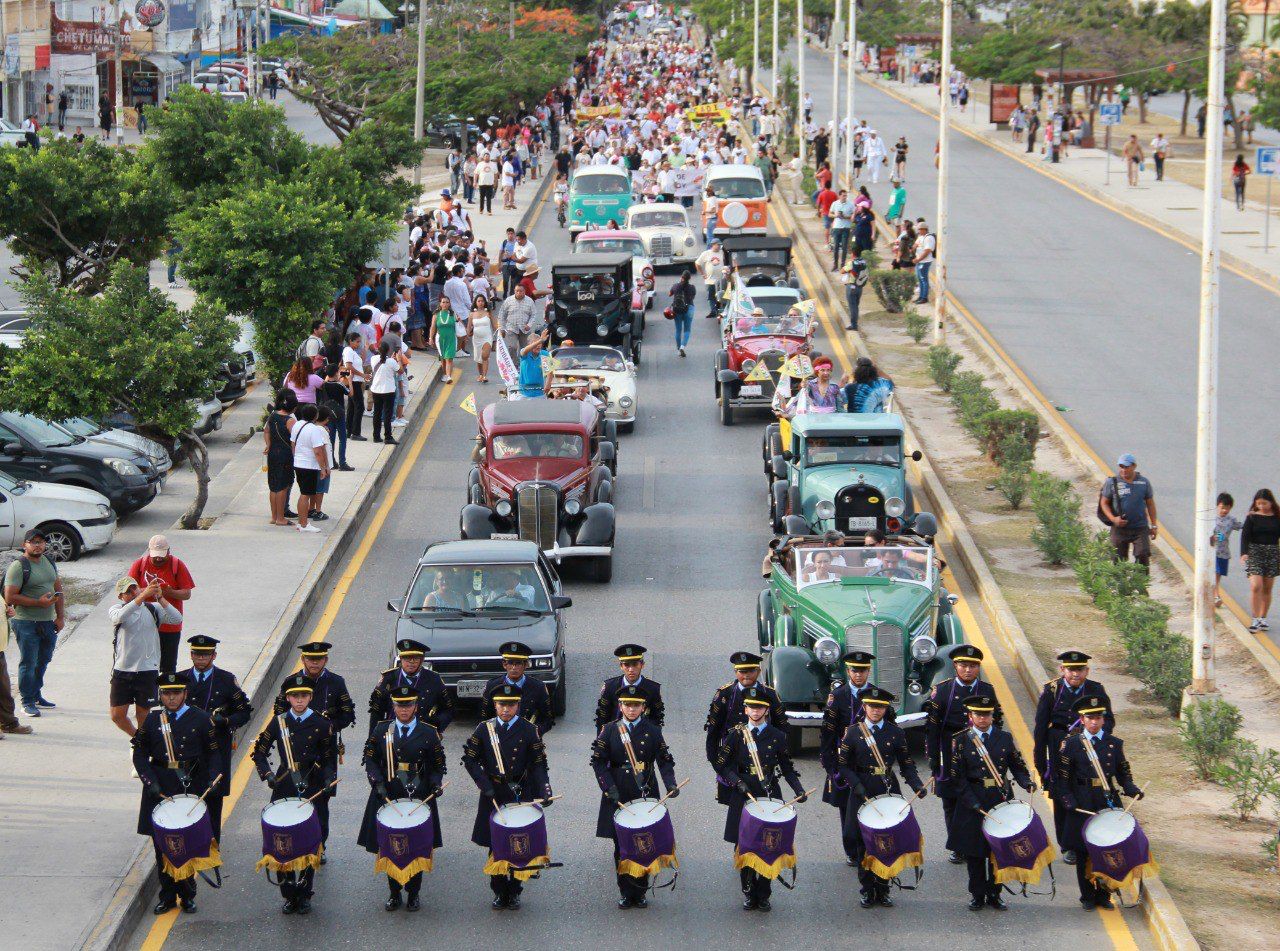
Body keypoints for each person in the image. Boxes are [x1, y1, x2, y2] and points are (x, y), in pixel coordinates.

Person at [461, 682, 554, 910]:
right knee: (497, 845)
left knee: (521, 842)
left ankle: (515, 891)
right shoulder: (484, 729)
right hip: (494, 792)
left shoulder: (528, 730)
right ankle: (499, 890)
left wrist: (545, 789)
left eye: (511, 705)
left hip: (521, 792)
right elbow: (470, 761)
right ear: (495, 705)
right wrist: (484, 785)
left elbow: (539, 763)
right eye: (502, 704)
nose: (506, 709)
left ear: (518, 705)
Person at [714, 685, 806, 911]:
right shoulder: (736, 735)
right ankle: (748, 890)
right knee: (744, 844)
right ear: (745, 710)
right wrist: (736, 781)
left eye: (760, 708)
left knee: (769, 844)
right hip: (743, 794)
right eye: (751, 708)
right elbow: (721, 765)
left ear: (766, 710)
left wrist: (798, 789)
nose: (755, 712)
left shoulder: (779, 737)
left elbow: (787, 768)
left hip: (769, 793)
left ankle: (764, 893)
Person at [132, 673, 218, 916]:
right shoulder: (151, 720)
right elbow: (139, 755)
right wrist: (150, 782)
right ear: (161, 695)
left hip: (190, 787)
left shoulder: (201, 719)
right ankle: (167, 895)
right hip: (161, 787)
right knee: (162, 846)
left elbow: (213, 754)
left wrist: (212, 780)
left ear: (185, 693)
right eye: (167, 693)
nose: (171, 697)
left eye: (176, 693)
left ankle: (188, 895)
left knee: (187, 844)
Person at [251, 674, 336, 915]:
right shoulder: (278, 722)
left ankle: (306, 891)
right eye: (295, 696)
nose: (299, 700)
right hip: (284, 785)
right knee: (283, 840)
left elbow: (329, 758)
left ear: (310, 697)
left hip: (312, 785)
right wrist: (266, 774)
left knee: (310, 840)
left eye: (304, 696)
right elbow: (259, 752)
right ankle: (288, 893)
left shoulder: (321, 724)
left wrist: (328, 780)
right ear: (288, 698)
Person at [358, 685, 446, 912]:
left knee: (416, 846)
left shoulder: (428, 732)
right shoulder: (381, 731)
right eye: (399, 705)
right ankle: (394, 892)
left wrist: (436, 784)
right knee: (391, 845)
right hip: (389, 792)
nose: (404, 709)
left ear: (415, 706)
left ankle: (414, 893)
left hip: (419, 794)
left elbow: (438, 766)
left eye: (408, 705)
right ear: (393, 706)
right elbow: (370, 760)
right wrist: (377, 783)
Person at [590, 685, 679, 908]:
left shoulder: (653, 730)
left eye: (636, 705)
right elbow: (598, 762)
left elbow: (664, 760)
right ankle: (625, 890)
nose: (631, 709)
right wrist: (608, 787)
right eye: (627, 705)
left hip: (645, 790)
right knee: (621, 845)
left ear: (643, 707)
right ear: (620, 706)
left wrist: (671, 783)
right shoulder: (609, 730)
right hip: (618, 790)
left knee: (644, 842)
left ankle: (640, 891)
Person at [836, 684, 924, 907]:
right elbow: (843, 766)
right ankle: (867, 888)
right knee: (863, 842)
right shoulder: (853, 732)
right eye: (872, 706)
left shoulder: (895, 733)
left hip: (887, 789)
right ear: (864, 706)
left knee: (887, 841)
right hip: (861, 789)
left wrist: (917, 785)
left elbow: (907, 764)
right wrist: (855, 785)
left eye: (881, 707)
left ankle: (883, 888)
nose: (876, 711)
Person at [948, 694, 1036, 911]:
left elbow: (1016, 765)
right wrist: (972, 802)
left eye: (987, 714)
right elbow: (956, 777)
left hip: (999, 798)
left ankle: (995, 894)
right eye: (978, 714)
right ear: (970, 715)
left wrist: (1026, 782)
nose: (983, 718)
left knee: (998, 850)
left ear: (992, 715)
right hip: (973, 800)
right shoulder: (960, 740)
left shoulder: (1004, 738)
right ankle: (977, 894)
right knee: (975, 852)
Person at [1055, 695, 1142, 910]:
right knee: (1083, 852)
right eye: (1089, 718)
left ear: (1104, 720)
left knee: (1108, 849)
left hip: (1106, 800)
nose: (1094, 722)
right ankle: (1087, 896)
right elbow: (1062, 777)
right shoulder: (1071, 744)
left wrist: (1132, 789)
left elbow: (1123, 774)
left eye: (1098, 718)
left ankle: (1104, 895)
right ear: (1082, 720)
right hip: (1081, 801)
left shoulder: (1114, 744)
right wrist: (1068, 801)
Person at [1032, 650, 1113, 865]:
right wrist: (1040, 764)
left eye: (1079, 669)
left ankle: (1089, 840)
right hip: (1059, 749)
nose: (1075, 674)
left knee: (1086, 794)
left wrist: (1098, 741)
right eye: (1071, 669)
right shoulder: (1052, 690)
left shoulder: (1096, 690)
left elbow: (1110, 722)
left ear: (1087, 671)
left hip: (1088, 750)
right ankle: (1067, 845)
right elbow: (1040, 729)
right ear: (1062, 670)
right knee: (1062, 797)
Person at [923, 645, 1001, 863]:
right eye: (963, 665)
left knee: (976, 797)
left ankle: (977, 841)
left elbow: (998, 723)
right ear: (955, 666)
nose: (968, 670)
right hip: (949, 751)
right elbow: (932, 727)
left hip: (978, 753)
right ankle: (957, 845)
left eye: (973, 666)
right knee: (951, 800)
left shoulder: (987, 691)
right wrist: (932, 756)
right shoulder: (943, 690)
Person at [819, 650, 896, 868]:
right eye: (855, 670)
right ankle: (852, 849)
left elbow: (890, 729)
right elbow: (828, 732)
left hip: (871, 761)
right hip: (845, 762)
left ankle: (872, 845)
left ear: (868, 671)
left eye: (863, 670)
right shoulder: (838, 696)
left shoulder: (878, 695)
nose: (859, 674)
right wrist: (829, 764)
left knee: (874, 805)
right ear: (848, 670)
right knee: (847, 806)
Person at [180, 635, 251, 838]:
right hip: (187, 749)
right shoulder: (181, 679)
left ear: (214, 655)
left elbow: (244, 711)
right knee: (187, 797)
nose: (201, 658)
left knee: (213, 797)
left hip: (216, 747)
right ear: (191, 655)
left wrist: (226, 721)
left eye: (206, 655)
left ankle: (213, 847)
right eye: (197, 654)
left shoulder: (226, 679)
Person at [272, 642, 356, 808]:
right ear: (303, 659)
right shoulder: (290, 682)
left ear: (325, 659)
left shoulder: (336, 682)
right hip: (296, 749)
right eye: (310, 659)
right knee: (289, 797)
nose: (314, 663)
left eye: (318, 659)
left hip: (324, 748)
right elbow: (279, 714)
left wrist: (331, 726)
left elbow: (347, 714)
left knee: (321, 796)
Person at [108, 576, 180, 748]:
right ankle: (140, 741)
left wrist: (160, 598)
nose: (133, 593)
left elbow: (176, 619)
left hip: (147, 670)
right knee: (117, 715)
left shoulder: (152, 608)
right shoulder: (117, 608)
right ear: (121, 596)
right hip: (122, 670)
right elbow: (118, 618)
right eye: (128, 592)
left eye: (135, 588)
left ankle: (140, 749)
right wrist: (141, 597)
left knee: (143, 714)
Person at [3, 528, 64, 717]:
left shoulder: (49, 562)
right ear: (25, 545)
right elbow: (10, 596)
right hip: (26, 622)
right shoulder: (18, 566)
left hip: (47, 622)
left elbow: (59, 591)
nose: (38, 545)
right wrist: (38, 603)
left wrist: (60, 617)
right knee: (28, 662)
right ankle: (26, 701)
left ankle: (36, 695)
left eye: (41, 542)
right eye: (33, 542)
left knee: (43, 660)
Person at [704, 651, 787, 773]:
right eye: (742, 672)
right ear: (735, 672)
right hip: (730, 756)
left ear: (758, 672)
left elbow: (782, 727)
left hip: (762, 756)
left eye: (751, 671)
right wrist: (715, 761)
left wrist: (779, 756)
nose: (746, 675)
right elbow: (713, 731)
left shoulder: (770, 694)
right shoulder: (725, 694)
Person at [124, 534, 193, 675]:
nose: (158, 558)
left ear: (169, 551)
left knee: (168, 668)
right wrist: (149, 591)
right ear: (149, 551)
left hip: (170, 627)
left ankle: (166, 695)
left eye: (162, 555)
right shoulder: (139, 565)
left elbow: (186, 594)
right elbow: (127, 594)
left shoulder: (177, 565)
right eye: (155, 555)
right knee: (144, 665)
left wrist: (167, 592)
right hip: (144, 625)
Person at [369, 638, 454, 736]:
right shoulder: (388, 679)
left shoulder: (434, 679)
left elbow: (448, 709)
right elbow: (376, 712)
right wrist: (373, 742)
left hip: (423, 735)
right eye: (407, 658)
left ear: (422, 660)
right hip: (393, 735)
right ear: (401, 659)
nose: (411, 662)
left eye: (415, 658)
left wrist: (436, 726)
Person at [478, 640, 555, 735]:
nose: (514, 668)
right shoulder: (493, 685)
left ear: (526, 665)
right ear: (504, 664)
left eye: (518, 663)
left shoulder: (538, 687)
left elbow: (548, 719)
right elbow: (485, 717)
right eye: (510, 663)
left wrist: (536, 731)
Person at [1098, 453, 1157, 566]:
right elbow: (1104, 503)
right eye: (1121, 466)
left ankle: (1139, 582)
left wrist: (1154, 525)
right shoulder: (1112, 482)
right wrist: (1113, 519)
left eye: (1126, 467)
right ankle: (1120, 583)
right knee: (1118, 561)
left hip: (1140, 527)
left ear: (1134, 466)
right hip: (1119, 529)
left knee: (1143, 555)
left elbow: (1150, 504)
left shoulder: (1144, 482)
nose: (1123, 470)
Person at [595, 643, 665, 731]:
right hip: (615, 737)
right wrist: (602, 742)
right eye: (627, 665)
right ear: (621, 666)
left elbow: (657, 718)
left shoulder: (653, 688)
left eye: (635, 664)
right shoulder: (610, 686)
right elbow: (602, 717)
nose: (631, 669)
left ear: (642, 665)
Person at [1241, 488, 1280, 631]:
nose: (1261, 506)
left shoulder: (1277, 517)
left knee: (1267, 588)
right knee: (1256, 586)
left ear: (1271, 502)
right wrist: (1244, 553)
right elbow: (1245, 536)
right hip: (1255, 553)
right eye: (1259, 504)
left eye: (1264, 503)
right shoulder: (1252, 517)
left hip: (1273, 553)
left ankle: (1263, 618)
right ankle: (1255, 618)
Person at [289, 404, 330, 532]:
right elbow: (318, 451)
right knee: (305, 495)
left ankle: (303, 523)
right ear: (315, 416)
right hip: (309, 466)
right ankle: (303, 524)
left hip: (298, 463)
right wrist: (323, 468)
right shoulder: (314, 429)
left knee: (304, 493)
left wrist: (296, 457)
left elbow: (293, 443)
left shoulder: (297, 425)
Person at [263, 389, 297, 526]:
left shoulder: (272, 416)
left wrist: (268, 445)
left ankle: (274, 517)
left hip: (272, 454)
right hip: (285, 454)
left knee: (273, 486)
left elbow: (266, 431)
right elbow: (295, 441)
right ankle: (281, 518)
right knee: (283, 486)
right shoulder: (290, 421)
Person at [320, 364, 354, 472]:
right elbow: (350, 394)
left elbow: (326, 382)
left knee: (331, 439)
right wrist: (350, 381)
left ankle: (332, 462)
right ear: (336, 373)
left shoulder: (324, 385)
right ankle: (342, 463)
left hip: (328, 415)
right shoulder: (340, 385)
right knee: (342, 438)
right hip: (339, 414)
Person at [1213, 492, 1243, 607]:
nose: (1224, 510)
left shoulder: (1231, 520)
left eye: (1227, 508)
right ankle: (1216, 596)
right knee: (1214, 574)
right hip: (1211, 552)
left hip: (1223, 553)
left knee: (1218, 575)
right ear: (1217, 506)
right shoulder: (1212, 519)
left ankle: (1215, 594)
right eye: (1222, 507)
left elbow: (1241, 526)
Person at [368, 341, 399, 444]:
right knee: (387, 414)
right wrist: (398, 359)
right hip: (388, 390)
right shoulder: (391, 362)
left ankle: (376, 436)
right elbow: (401, 371)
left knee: (377, 413)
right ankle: (388, 436)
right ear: (388, 350)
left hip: (376, 390)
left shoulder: (373, 359)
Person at [341, 331, 369, 442]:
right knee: (359, 407)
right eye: (357, 342)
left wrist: (365, 351)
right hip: (354, 382)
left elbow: (358, 363)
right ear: (351, 341)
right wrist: (362, 375)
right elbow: (348, 366)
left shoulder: (352, 351)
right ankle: (356, 432)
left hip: (357, 381)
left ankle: (349, 431)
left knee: (353, 407)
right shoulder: (348, 350)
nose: (358, 344)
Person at [498, 283, 540, 355]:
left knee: (525, 349)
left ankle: (522, 363)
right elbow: (502, 315)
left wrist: (529, 325)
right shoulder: (508, 301)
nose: (519, 293)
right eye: (517, 291)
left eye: (521, 291)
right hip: (511, 328)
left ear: (524, 291)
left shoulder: (529, 301)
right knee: (512, 347)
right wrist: (502, 328)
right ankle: (514, 364)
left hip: (524, 330)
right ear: (514, 291)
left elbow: (533, 314)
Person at [429, 298, 458, 384]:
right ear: (440, 304)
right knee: (443, 358)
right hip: (440, 339)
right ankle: (445, 374)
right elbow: (433, 327)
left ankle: (448, 376)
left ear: (449, 304)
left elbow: (458, 325)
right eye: (443, 302)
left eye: (447, 302)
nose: (445, 304)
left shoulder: (453, 314)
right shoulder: (436, 315)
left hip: (451, 338)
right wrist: (431, 338)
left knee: (449, 358)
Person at [669, 269, 697, 356]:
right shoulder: (692, 287)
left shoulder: (676, 286)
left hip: (677, 310)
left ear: (682, 277)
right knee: (687, 330)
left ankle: (678, 349)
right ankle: (682, 346)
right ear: (689, 278)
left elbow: (669, 294)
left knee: (678, 330)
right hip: (689, 309)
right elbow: (692, 297)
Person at [695, 238, 725, 314]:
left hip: (721, 279)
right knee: (711, 296)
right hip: (710, 280)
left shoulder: (722, 253)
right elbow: (697, 263)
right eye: (717, 245)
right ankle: (713, 310)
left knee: (721, 295)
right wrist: (702, 273)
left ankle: (720, 309)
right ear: (713, 245)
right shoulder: (706, 253)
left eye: (719, 245)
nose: (719, 246)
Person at [470, 294, 495, 383]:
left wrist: (498, 335)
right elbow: (469, 329)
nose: (480, 303)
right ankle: (480, 374)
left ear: (485, 303)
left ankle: (484, 376)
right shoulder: (472, 314)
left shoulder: (488, 313)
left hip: (487, 337)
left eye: (482, 301)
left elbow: (494, 325)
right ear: (476, 303)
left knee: (485, 356)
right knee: (478, 358)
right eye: (478, 301)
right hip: (476, 338)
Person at [518, 329, 550, 398]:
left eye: (540, 344)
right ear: (529, 345)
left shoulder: (545, 354)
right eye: (535, 343)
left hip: (540, 392)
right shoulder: (525, 353)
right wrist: (540, 340)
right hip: (524, 393)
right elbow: (525, 350)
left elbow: (549, 371)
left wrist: (548, 383)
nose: (538, 345)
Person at [912, 222, 935, 304]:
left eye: (919, 229)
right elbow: (915, 244)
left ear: (924, 229)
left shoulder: (929, 238)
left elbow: (927, 251)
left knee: (923, 279)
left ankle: (924, 297)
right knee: (920, 279)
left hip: (925, 261)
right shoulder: (921, 237)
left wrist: (918, 259)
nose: (918, 231)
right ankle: (921, 296)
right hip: (919, 261)